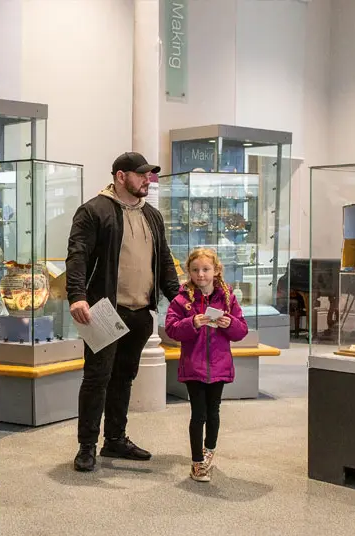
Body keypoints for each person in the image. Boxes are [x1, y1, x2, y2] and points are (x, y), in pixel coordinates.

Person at [65, 151, 181, 472]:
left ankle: (115, 438)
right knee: (97, 378)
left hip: (141, 312)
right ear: (120, 176)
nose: (148, 179)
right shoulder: (94, 211)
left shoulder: (152, 216)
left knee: (124, 378)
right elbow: (77, 257)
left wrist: (181, 300)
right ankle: (86, 446)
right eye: (141, 174)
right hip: (103, 311)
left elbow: (165, 262)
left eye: (149, 175)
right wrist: (77, 296)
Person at [164, 248, 248, 482]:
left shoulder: (228, 298)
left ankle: (209, 450)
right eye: (195, 270)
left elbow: (241, 330)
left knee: (214, 411)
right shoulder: (181, 300)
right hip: (194, 367)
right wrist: (192, 322)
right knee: (198, 414)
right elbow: (171, 329)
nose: (200, 274)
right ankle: (197, 462)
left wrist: (228, 323)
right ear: (189, 272)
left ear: (216, 270)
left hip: (219, 366)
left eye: (206, 269)